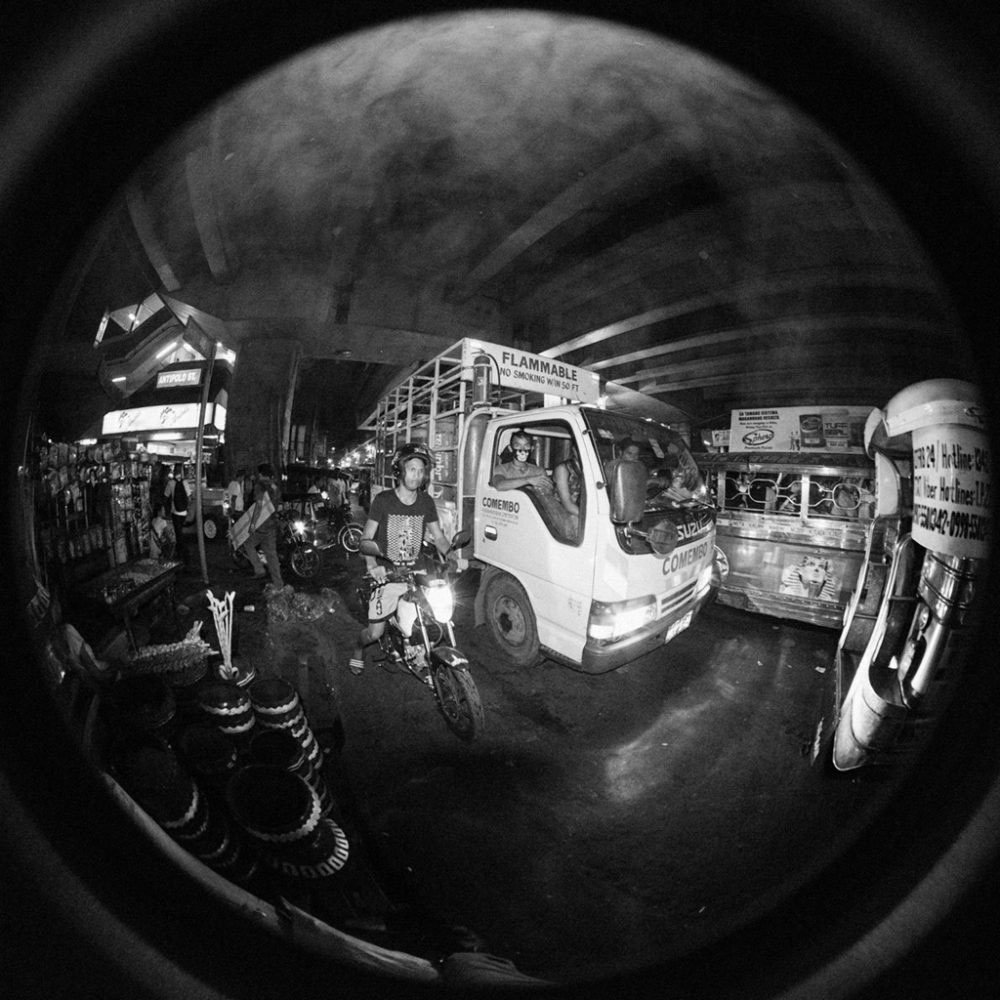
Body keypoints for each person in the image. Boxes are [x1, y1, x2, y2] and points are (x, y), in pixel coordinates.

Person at [348, 443, 451, 674]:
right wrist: (372, 565)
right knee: (374, 633)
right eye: (412, 468)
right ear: (399, 471)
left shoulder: (426, 502)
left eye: (421, 470)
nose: (417, 475)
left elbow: (439, 537)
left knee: (434, 617)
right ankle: (357, 648)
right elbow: (366, 538)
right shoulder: (384, 500)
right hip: (389, 573)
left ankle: (415, 648)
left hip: (418, 572)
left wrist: (452, 555)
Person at [241, 463, 284, 587]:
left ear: (260, 474)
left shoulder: (260, 486)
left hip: (261, 524)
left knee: (248, 544)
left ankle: (259, 569)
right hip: (272, 524)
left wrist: (252, 525)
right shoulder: (275, 486)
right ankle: (279, 584)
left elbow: (259, 506)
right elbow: (279, 504)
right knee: (272, 555)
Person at [491, 429, 555, 496]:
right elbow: (499, 485)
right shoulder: (501, 469)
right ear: (510, 448)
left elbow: (548, 493)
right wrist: (528, 480)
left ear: (532, 449)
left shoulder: (538, 471)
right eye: (518, 445)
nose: (523, 450)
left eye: (526, 446)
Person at [553, 444, 582, 539]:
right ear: (574, 450)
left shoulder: (592, 468)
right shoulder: (563, 469)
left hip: (581, 509)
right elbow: (567, 504)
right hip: (562, 511)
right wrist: (588, 516)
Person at [166, 462, 190, 567]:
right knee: (181, 533)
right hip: (184, 512)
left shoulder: (171, 483)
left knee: (178, 533)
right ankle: (183, 552)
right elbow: (189, 497)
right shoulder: (185, 482)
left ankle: (181, 552)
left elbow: (166, 496)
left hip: (175, 512)